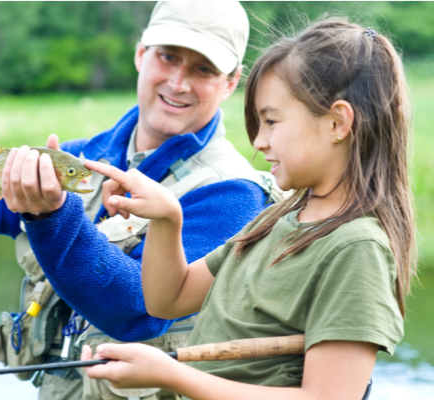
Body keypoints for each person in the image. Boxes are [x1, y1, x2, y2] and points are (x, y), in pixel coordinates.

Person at [0, 2, 284, 398]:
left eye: (203, 69)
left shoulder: (235, 193)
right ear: (141, 54)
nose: (178, 82)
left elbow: (141, 309)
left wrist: (51, 215)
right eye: (168, 56)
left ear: (230, 83)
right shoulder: (84, 155)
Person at [79, 18, 412, 400]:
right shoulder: (277, 220)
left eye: (271, 121)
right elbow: (168, 298)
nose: (259, 140)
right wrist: (166, 218)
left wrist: (174, 376)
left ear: (337, 122)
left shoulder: (357, 248)